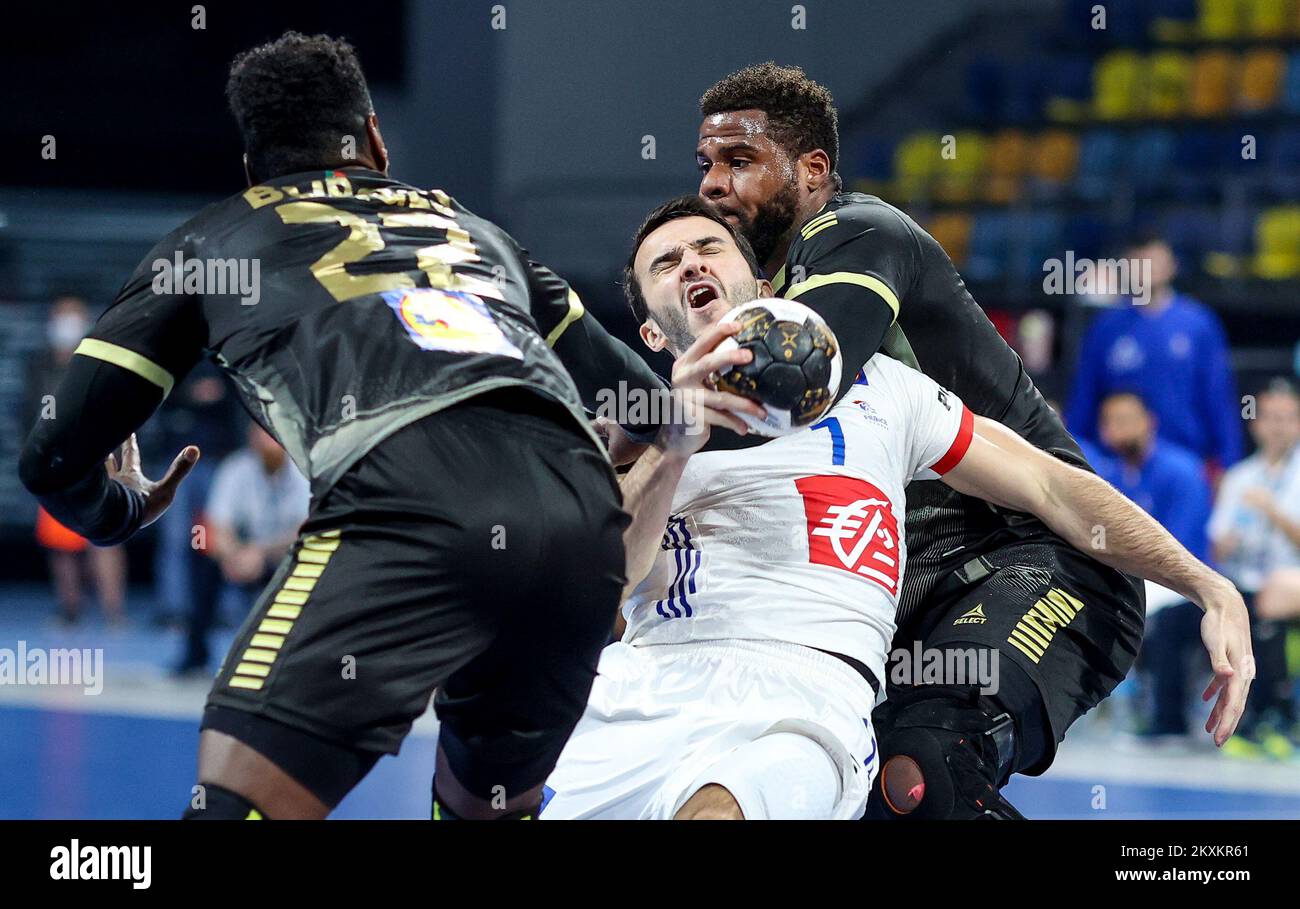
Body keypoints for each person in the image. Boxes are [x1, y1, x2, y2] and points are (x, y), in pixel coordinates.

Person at [19, 31, 668, 821]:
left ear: (253, 171)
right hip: (576, 525)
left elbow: (53, 459)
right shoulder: (475, 232)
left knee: (233, 805)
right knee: (485, 807)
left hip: (406, 493)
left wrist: (118, 509)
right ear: (375, 141)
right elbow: (649, 407)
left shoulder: (211, 239)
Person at [541, 199, 1251, 820]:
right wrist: (675, 440)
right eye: (665, 263)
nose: (690, 264)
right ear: (655, 338)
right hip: (646, 679)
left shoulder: (881, 389)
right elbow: (599, 587)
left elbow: (1052, 486)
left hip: (806, 696)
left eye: (707, 248)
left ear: (763, 286)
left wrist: (1206, 583)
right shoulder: (633, 424)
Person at [683, 64, 1203, 818]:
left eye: (739, 161)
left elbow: (791, 380)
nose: (714, 184)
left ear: (813, 170)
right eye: (705, 165)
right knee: (865, 796)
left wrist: (594, 428)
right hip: (906, 595)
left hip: (1045, 558)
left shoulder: (858, 233)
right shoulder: (754, 301)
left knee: (924, 767)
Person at [1067, 231, 1243, 475]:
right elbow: (1085, 396)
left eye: (1154, 260)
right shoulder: (1106, 327)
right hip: (1119, 463)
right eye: (1138, 261)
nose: (1145, 269)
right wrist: (1072, 457)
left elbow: (1218, 396)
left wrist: (1228, 463)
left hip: (1188, 459)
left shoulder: (1198, 324)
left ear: (1172, 266)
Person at [1091, 391, 1213, 740]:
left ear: (1150, 422)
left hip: (1181, 581)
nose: (1119, 429)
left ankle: (1166, 719)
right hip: (1123, 574)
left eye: (1127, 420)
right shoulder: (1104, 472)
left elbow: (1182, 549)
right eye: (1111, 422)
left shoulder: (1182, 470)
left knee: (1156, 616)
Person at [174, 423, 311, 676]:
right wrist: (232, 555)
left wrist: (260, 552)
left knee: (313, 559)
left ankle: (293, 659)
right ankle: (195, 654)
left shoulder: (303, 471)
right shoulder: (235, 469)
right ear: (252, 440)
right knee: (199, 547)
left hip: (283, 553)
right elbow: (217, 524)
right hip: (240, 553)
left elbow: (305, 528)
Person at [23, 295, 127, 627]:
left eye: (74, 317)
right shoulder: (39, 368)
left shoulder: (99, 363)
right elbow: (29, 415)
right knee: (61, 543)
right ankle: (70, 610)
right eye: (61, 317)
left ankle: (114, 612)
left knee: (105, 537)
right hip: (55, 466)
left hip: (97, 461)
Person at [1210, 378, 1300, 755]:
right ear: (1256, 423)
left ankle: (1274, 718)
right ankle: (1169, 722)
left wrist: (1273, 513)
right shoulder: (1239, 477)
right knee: (1173, 623)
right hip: (1244, 581)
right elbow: (1216, 547)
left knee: (1265, 613)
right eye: (1271, 417)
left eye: (1289, 417)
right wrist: (1229, 541)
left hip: (1289, 585)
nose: (1279, 426)